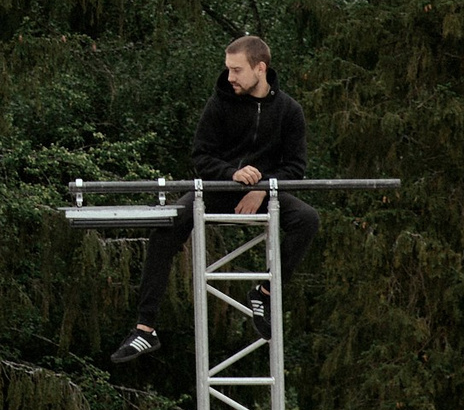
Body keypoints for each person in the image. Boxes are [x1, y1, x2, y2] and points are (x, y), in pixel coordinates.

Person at [108, 34, 318, 365]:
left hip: (265, 194)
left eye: (237, 70)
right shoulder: (219, 103)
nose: (230, 77)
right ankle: (145, 329)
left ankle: (263, 293)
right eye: (228, 69)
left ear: (259, 68)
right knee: (167, 224)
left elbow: (296, 168)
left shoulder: (290, 111)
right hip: (217, 190)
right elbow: (201, 156)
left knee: (307, 219)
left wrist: (262, 186)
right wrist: (232, 174)